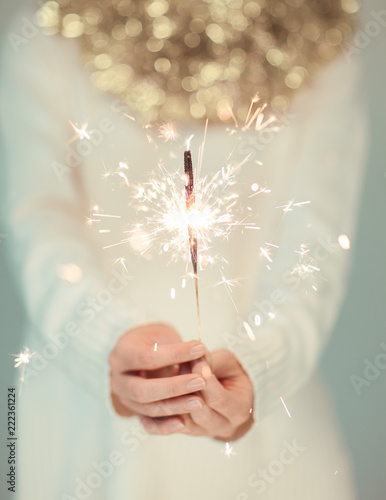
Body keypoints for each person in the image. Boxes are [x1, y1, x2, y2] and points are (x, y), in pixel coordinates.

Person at [0, 1, 367, 499]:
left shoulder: (323, 35)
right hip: (79, 428)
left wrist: (261, 364)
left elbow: (315, 249)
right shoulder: (47, 28)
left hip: (268, 433)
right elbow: (39, 223)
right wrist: (108, 339)